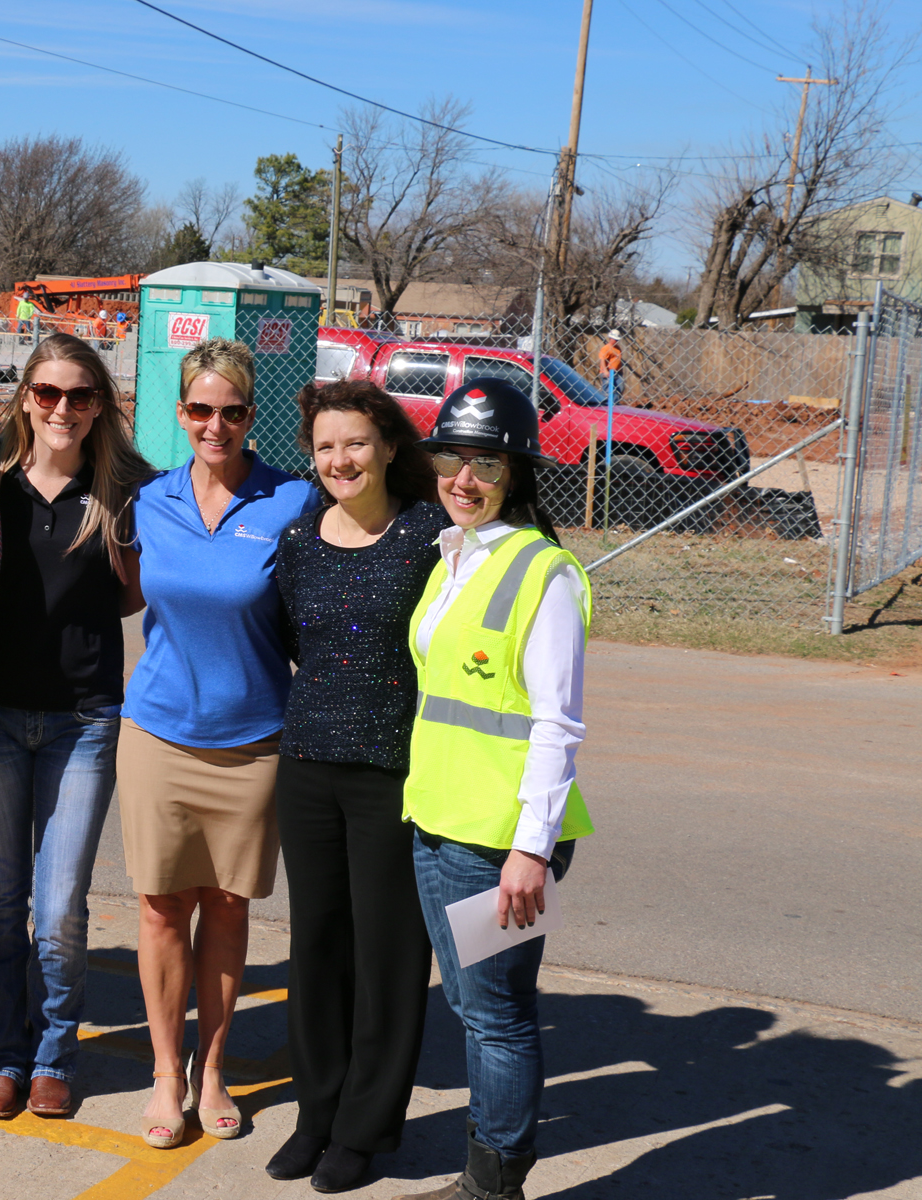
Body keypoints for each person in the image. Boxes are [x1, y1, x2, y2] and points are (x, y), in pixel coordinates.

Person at [397, 379, 594, 1200]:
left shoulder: (542, 573)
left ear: (515, 472)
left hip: (498, 841)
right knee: (475, 1011)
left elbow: (558, 725)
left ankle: (494, 1186)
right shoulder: (452, 557)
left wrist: (530, 851)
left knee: (497, 1017)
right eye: (451, 457)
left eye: (486, 462)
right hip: (438, 822)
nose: (464, 478)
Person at [121, 338, 318, 1149]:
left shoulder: (293, 500)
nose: (216, 425)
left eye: (232, 411)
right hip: (160, 733)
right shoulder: (151, 502)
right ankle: (166, 1073)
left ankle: (213, 1070)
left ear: (251, 415)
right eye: (200, 410)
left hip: (253, 743)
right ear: (180, 413)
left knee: (229, 909)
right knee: (162, 909)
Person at [0, 334, 153, 1121]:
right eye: (46, 394)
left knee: (62, 901)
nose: (61, 410)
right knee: (1, 900)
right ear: (24, 398)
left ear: (100, 403)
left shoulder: (128, 492)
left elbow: (134, 596)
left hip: (85, 721)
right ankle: (2, 1055)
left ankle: (53, 1056)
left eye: (79, 396)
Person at [266, 380, 448, 1191]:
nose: (340, 459)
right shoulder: (301, 536)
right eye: (326, 446)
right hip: (307, 767)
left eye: (356, 443)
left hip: (394, 774)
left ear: (388, 448)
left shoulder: (431, 536)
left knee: (388, 956)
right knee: (317, 947)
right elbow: (283, 636)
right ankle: (318, 1113)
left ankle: (366, 1129)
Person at [598, 330, 624, 397]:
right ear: (610, 338)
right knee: (607, 391)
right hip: (608, 372)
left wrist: (621, 371)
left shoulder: (618, 348)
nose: (616, 341)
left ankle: (615, 405)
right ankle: (605, 405)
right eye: (615, 339)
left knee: (620, 388)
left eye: (617, 340)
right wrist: (605, 371)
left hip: (617, 372)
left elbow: (618, 360)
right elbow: (602, 360)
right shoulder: (606, 348)